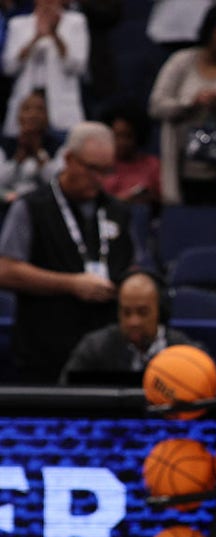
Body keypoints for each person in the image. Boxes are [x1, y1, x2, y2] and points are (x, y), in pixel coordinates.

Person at [0, 121, 133, 383]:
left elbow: (136, 266)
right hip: (44, 350)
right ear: (70, 159)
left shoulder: (118, 211)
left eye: (106, 171)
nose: (100, 179)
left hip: (104, 355)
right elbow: (6, 270)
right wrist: (70, 284)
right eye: (93, 169)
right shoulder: (32, 207)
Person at [148, 4, 216, 206]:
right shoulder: (180, 62)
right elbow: (156, 106)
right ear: (209, 32)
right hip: (183, 163)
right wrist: (190, 103)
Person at [58, 268, 200, 384]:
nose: (133, 322)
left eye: (143, 312)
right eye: (126, 313)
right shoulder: (95, 349)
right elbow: (67, 395)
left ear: (160, 312)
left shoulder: (185, 352)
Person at [1, 0, 88, 137]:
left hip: (62, 103)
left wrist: (55, 35)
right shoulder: (17, 24)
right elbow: (9, 68)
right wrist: (35, 38)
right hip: (26, 96)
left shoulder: (75, 22)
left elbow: (78, 66)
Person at [0, 89, 59, 205]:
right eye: (27, 109)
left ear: (48, 116)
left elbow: (59, 182)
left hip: (47, 206)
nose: (33, 114)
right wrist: (17, 159)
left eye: (40, 109)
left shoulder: (58, 146)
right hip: (8, 204)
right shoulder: (5, 145)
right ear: (18, 116)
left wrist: (38, 153)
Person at [99, 102, 161, 207]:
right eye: (117, 136)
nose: (122, 142)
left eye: (128, 136)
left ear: (139, 136)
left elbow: (163, 202)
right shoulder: (99, 164)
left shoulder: (153, 165)